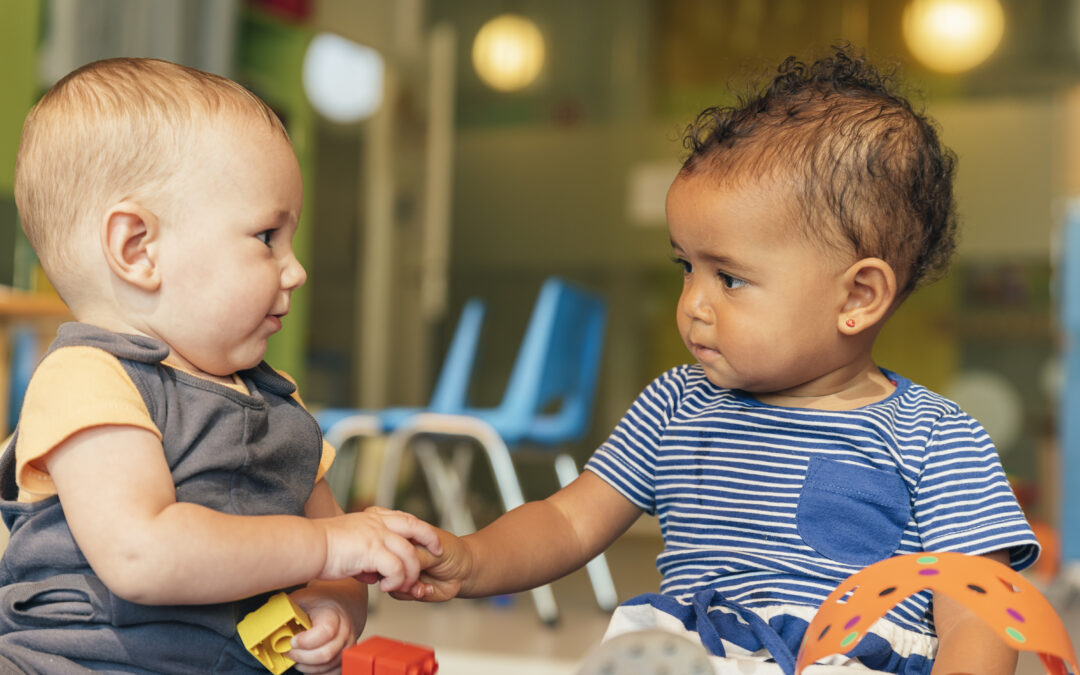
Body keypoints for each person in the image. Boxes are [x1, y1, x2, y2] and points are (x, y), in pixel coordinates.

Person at [402, 47, 1040, 674]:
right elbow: (568, 522)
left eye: (729, 278)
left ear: (857, 296)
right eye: (686, 266)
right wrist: (472, 558)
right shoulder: (675, 404)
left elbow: (977, 606)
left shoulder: (937, 438)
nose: (693, 304)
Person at [0, 57, 440, 674]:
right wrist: (323, 548)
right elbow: (142, 554)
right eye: (266, 237)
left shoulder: (283, 409)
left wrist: (334, 603)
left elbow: (336, 555)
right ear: (137, 249)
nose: (296, 270)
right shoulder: (89, 380)